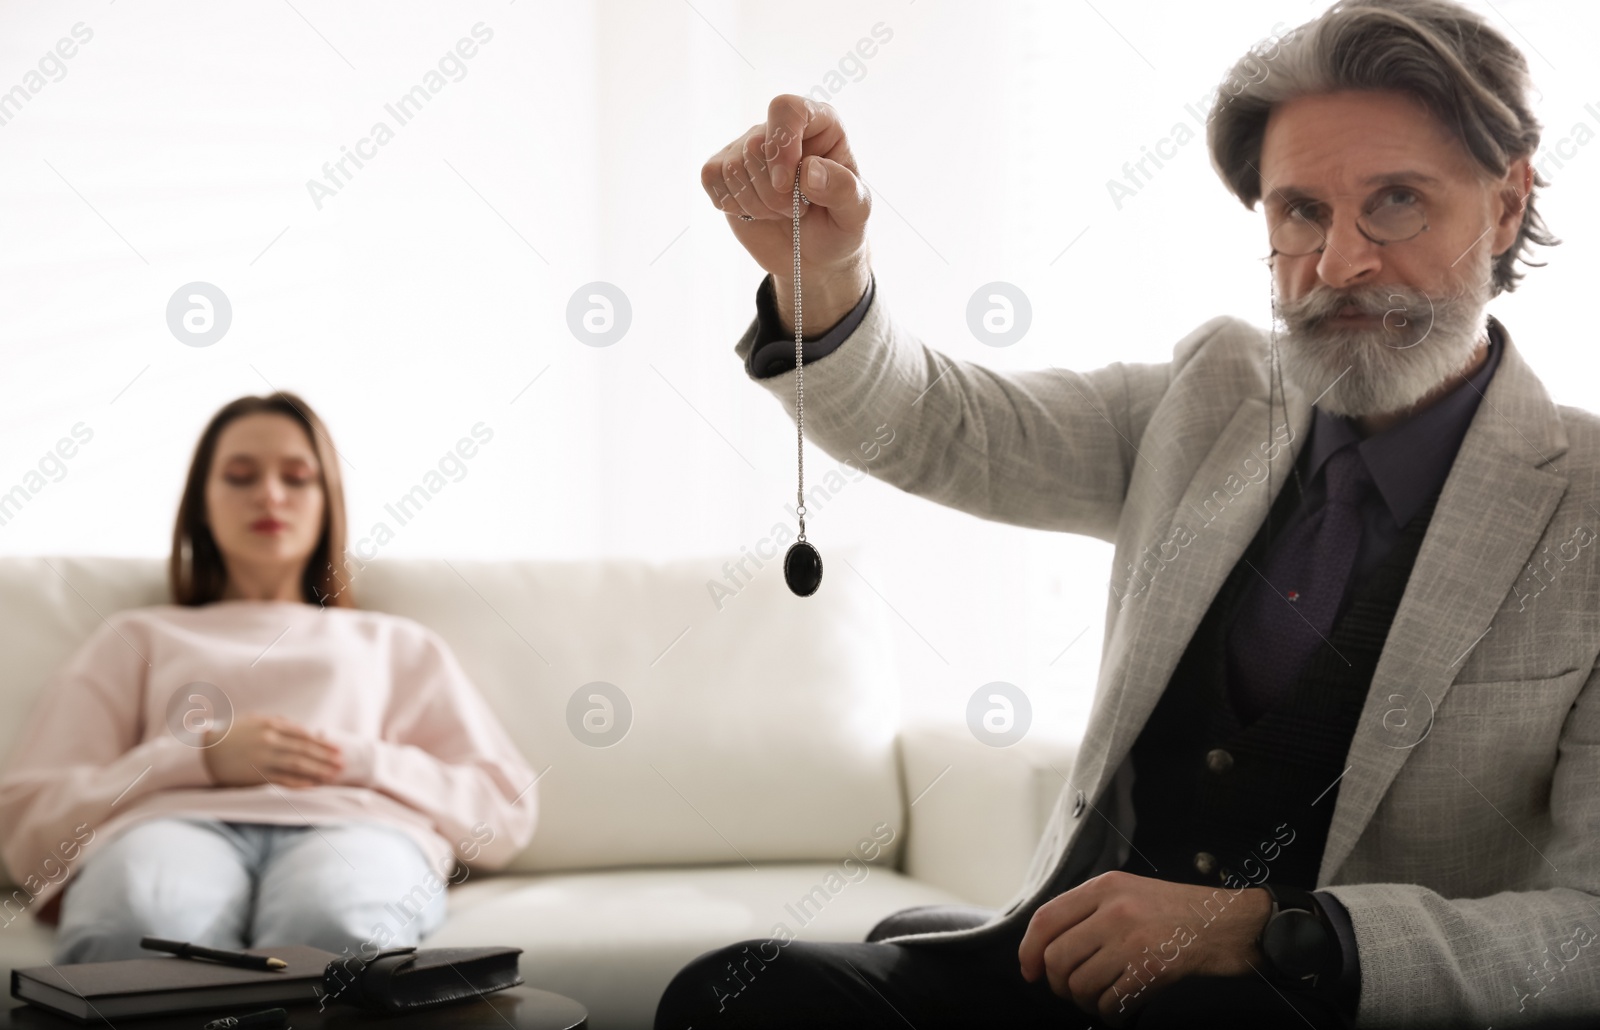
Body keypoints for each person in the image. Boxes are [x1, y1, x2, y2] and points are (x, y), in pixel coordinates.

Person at [661, 1, 1600, 1027]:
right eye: (1299, 214)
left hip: (1308, 1005)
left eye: (1396, 203)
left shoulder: (1585, 504)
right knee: (733, 993)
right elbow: (942, 428)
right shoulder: (1213, 397)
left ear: (1505, 204)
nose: (1339, 265)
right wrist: (826, 275)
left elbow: (1586, 927)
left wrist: (1270, 929)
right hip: (1064, 977)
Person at [0, 392, 539, 964]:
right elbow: (28, 817)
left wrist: (354, 759)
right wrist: (198, 758)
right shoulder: (136, 636)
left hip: (356, 829)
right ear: (201, 504)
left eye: (297, 477)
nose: (270, 495)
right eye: (239, 476)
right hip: (166, 826)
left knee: (335, 925)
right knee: (140, 920)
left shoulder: (394, 643)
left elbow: (505, 809)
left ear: (328, 500)